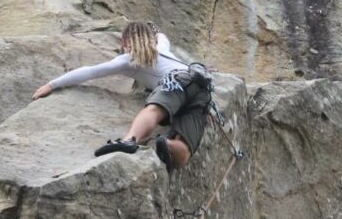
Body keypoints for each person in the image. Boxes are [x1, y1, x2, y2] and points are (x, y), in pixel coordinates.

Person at [32, 21, 212, 170]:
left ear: (126, 42)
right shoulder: (162, 48)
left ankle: (130, 140)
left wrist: (52, 84)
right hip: (203, 90)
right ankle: (168, 145)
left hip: (177, 81)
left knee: (154, 110)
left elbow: (90, 71)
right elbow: (162, 37)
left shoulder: (131, 58)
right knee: (184, 150)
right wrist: (155, 30)